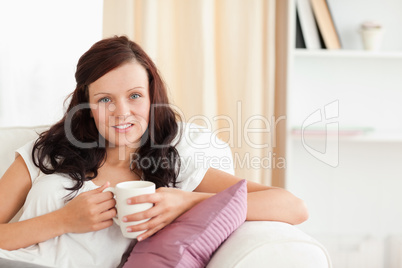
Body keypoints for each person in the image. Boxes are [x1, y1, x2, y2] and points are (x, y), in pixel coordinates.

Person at [0, 36, 308, 267]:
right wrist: (63, 220)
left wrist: (187, 202)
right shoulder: (48, 152)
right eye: (105, 99)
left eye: (134, 95)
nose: (122, 112)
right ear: (87, 104)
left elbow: (292, 207)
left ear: (151, 97)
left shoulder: (173, 166)